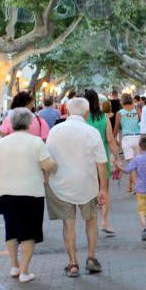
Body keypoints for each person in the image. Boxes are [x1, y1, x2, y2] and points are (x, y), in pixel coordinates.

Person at [0, 107, 55, 284]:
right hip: (31, 192)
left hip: (6, 192)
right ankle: (25, 271)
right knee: (29, 232)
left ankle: (14, 266)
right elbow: (48, 165)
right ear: (29, 122)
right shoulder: (36, 142)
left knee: (11, 229)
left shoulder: (1, 143)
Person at [46, 96, 109, 277]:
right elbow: (101, 164)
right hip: (87, 185)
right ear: (87, 113)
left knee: (68, 224)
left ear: (66, 110)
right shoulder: (91, 132)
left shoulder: (55, 131)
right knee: (91, 221)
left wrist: (46, 181)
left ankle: (73, 264)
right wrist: (103, 189)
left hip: (61, 185)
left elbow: (48, 159)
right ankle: (91, 258)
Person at [83, 89, 121, 235]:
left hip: (85, 160)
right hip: (102, 159)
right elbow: (110, 140)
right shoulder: (104, 118)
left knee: (89, 192)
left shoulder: (82, 119)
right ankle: (104, 222)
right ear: (97, 102)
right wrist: (117, 158)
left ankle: (91, 222)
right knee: (104, 191)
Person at [118, 135, 146, 242]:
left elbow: (127, 171)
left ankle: (144, 228)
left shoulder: (136, 159)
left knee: (141, 209)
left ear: (140, 147)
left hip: (140, 189)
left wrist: (118, 167)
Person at [116, 94, 143, 194]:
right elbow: (142, 122)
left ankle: (137, 187)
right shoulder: (136, 110)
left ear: (122, 102)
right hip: (138, 138)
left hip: (127, 139)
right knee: (137, 165)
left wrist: (114, 139)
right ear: (131, 101)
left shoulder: (120, 113)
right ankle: (134, 186)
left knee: (132, 166)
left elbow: (116, 128)